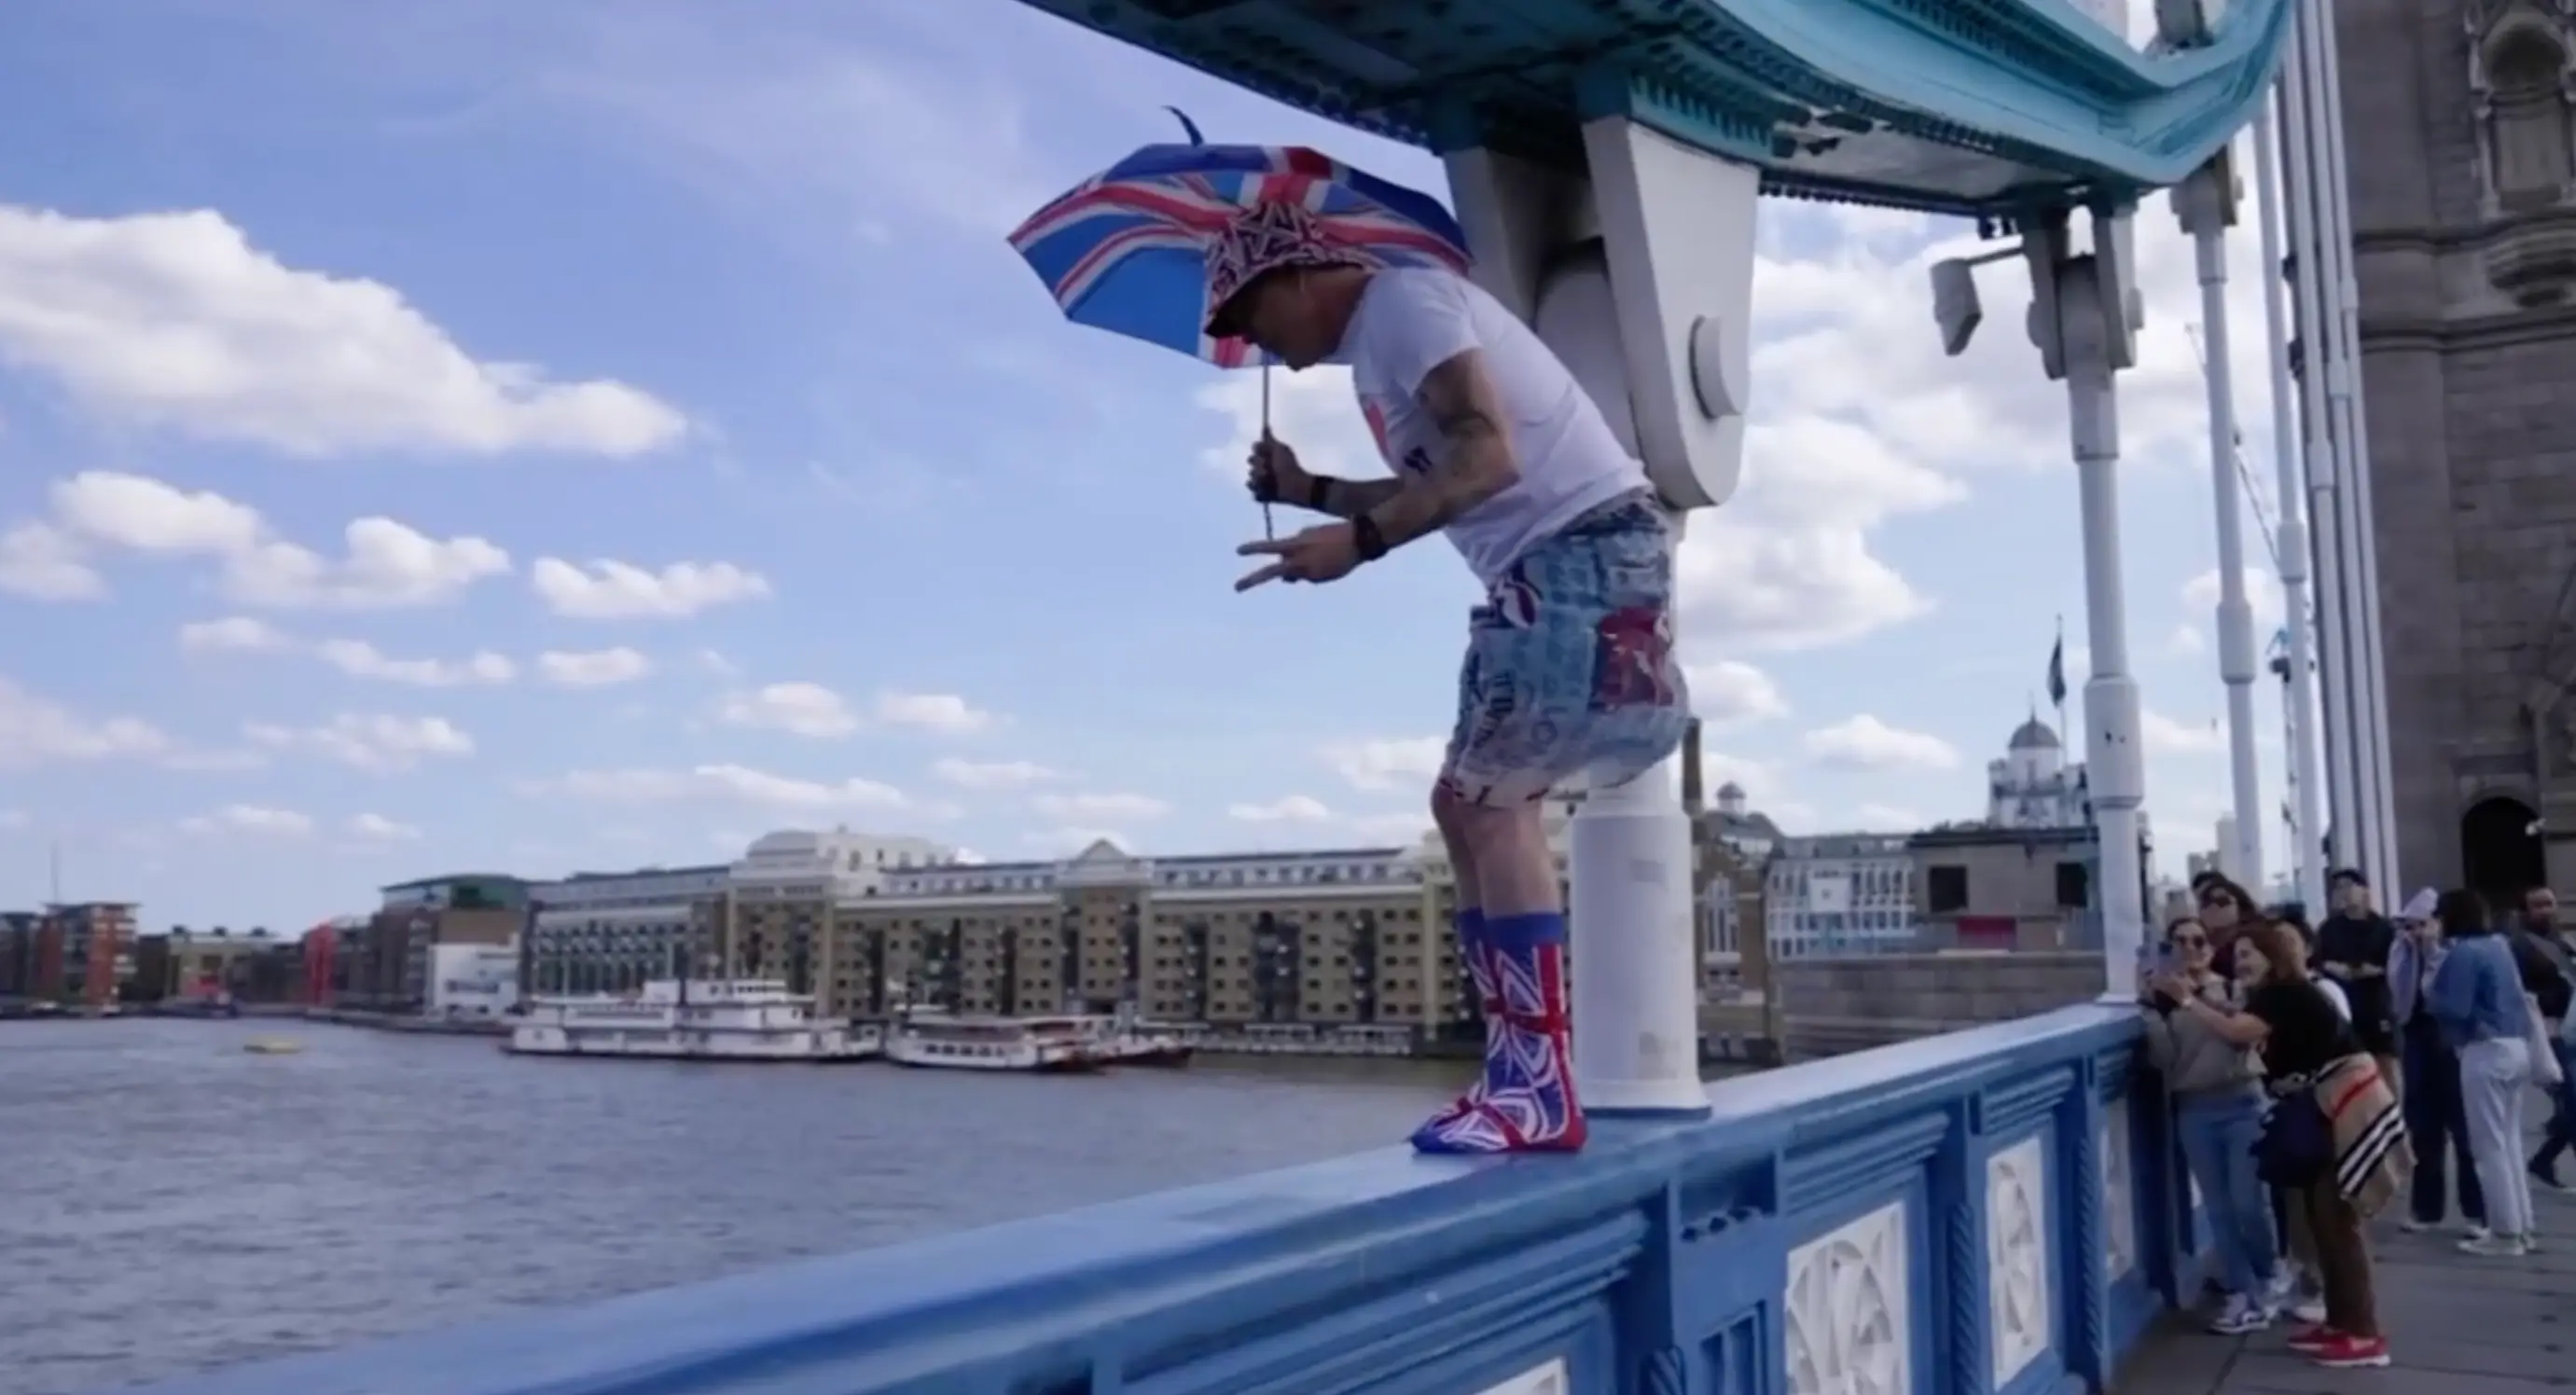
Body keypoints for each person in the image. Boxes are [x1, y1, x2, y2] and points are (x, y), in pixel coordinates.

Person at [1207, 200, 1690, 1154]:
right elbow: (1445, 478)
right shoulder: (1384, 348)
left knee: (1492, 800)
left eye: (1248, 315)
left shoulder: (1404, 305)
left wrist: (1360, 542)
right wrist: (1311, 491)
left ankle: (1539, 1086)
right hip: (1553, 566)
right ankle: (1515, 1071)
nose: (1258, 345)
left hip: (1576, 557)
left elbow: (1488, 452)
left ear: (1296, 274)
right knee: (1460, 801)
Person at [2156, 918, 2395, 1369]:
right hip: (2324, 1108)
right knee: (2322, 1218)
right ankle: (2341, 1323)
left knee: (2338, 1221)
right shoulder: (2277, 995)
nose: (2242, 962)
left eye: (2251, 954)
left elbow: (2238, 1032)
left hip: (2341, 1107)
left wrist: (2188, 1000)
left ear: (2274, 958)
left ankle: (2364, 1334)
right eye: (2239, 955)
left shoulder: (2284, 994)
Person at [2139, 916, 2280, 1333]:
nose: (2191, 948)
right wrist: (2149, 1009)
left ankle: (2269, 1274)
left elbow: (2243, 1034)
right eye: (2180, 941)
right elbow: (2165, 1060)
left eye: (2199, 940)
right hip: (2195, 1108)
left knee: (2249, 1202)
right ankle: (2242, 1291)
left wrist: (2194, 996)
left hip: (2243, 1101)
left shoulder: (2235, 987)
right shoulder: (2163, 999)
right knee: (2219, 1207)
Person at [2427, 888, 2541, 1256]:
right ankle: (2522, 1225)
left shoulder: (2463, 953)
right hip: (2516, 1046)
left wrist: (2431, 986)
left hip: (2484, 1050)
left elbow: (2453, 1008)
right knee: (2509, 1142)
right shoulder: (2498, 945)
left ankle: (2505, 1233)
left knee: (2488, 1146)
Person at [2389, 888, 2487, 1236]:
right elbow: (2400, 997)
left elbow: (2442, 995)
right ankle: (2427, 1208)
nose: (2414, 933)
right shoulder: (2401, 949)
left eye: (2421, 925)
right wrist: (2409, 950)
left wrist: (2431, 952)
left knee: (2463, 1128)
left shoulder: (2455, 953)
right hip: (2417, 1038)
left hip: (2450, 1040)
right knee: (2423, 1128)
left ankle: (2477, 1211)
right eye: (2409, 926)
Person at [2514, 885, 2576, 1191]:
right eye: (2537, 905)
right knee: (2573, 1100)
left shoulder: (2560, 942)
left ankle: (2542, 1160)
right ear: (2527, 909)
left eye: (2549, 904)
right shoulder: (2520, 945)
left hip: (2568, 1030)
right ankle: (2542, 1160)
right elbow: (2522, 993)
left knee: (2570, 1104)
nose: (2545, 910)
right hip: (2548, 1032)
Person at [2315, 870, 2399, 1091]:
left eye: (2349, 885)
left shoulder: (2383, 928)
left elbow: (2392, 964)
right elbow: (2318, 961)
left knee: (2386, 1061)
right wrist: (2335, 967)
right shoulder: (2329, 929)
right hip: (2344, 1003)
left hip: (2376, 1003)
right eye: (2339, 887)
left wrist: (2367, 970)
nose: (2344, 892)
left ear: (2364, 890)